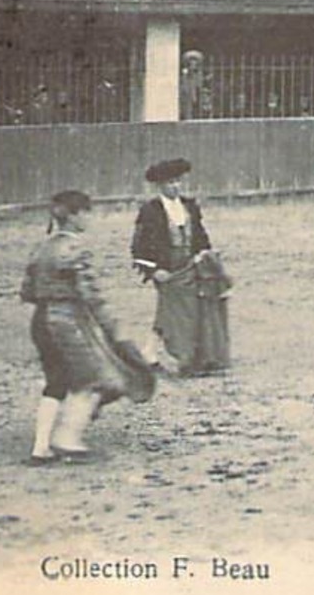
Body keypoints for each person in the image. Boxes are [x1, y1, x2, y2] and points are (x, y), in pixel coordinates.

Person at [23, 190, 151, 464]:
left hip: (40, 321)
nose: (90, 218)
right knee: (98, 378)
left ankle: (40, 447)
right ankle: (67, 439)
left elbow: (28, 292)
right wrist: (115, 332)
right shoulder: (76, 248)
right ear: (75, 216)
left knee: (55, 383)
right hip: (68, 322)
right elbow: (91, 297)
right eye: (87, 212)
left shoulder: (41, 248)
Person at [131, 159, 230, 376]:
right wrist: (153, 270)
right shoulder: (151, 210)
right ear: (160, 186)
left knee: (181, 310)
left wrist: (204, 254)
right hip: (167, 269)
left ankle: (151, 352)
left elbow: (201, 236)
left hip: (190, 266)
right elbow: (139, 246)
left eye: (178, 182)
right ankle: (179, 356)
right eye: (170, 183)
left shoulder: (189, 206)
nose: (175, 187)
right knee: (176, 311)